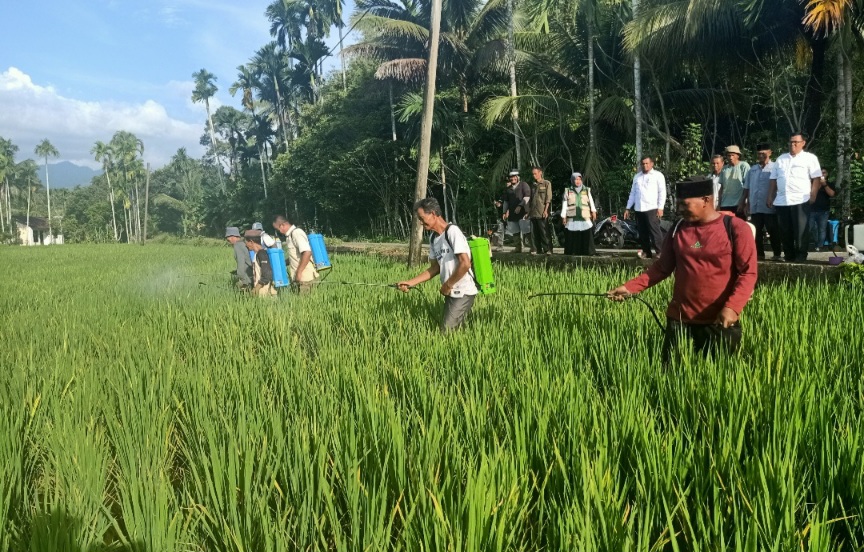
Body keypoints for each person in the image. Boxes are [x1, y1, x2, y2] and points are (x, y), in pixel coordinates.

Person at [608, 176, 757, 363]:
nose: (680, 209)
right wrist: (630, 287)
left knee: (718, 382)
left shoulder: (735, 228)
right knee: (672, 379)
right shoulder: (678, 228)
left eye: (685, 204)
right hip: (679, 320)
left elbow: (748, 272)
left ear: (706, 200)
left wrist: (733, 307)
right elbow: (662, 267)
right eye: (678, 204)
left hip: (719, 321)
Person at [397, 198, 478, 333]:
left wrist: (447, 285)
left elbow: (465, 263)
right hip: (451, 291)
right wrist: (411, 283)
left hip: (463, 290)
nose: (421, 223)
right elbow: (435, 268)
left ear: (433, 214)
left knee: (446, 332)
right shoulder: (434, 238)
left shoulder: (452, 232)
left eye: (422, 218)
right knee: (455, 331)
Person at [768, 132, 822, 262]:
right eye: (791, 142)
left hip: (800, 200)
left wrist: (813, 194)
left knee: (800, 231)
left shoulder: (810, 158)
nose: (792, 144)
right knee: (785, 231)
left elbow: (816, 178)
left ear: (803, 143)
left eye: (796, 142)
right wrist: (770, 196)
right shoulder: (781, 158)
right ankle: (789, 255)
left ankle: (801, 256)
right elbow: (773, 180)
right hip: (782, 200)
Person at [743, 144, 782, 260]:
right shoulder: (752, 169)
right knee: (756, 231)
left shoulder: (775, 167)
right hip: (755, 206)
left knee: (773, 230)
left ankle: (777, 254)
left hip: (769, 205)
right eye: (759, 153)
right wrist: (745, 204)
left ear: (770, 153)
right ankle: (759, 254)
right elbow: (747, 188)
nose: (761, 155)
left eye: (763, 153)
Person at [624, 156, 667, 259]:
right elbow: (633, 193)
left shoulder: (658, 175)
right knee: (642, 232)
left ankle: (660, 252)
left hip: (652, 207)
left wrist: (660, 207)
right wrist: (628, 208)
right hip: (639, 208)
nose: (645, 165)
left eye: (647, 163)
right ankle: (646, 252)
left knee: (654, 231)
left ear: (652, 164)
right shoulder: (637, 177)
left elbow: (662, 192)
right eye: (643, 164)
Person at [272, 215, 319, 294]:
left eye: (278, 229)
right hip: (299, 277)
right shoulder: (289, 236)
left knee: (305, 303)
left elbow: (307, 252)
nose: (278, 232)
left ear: (282, 225)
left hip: (305, 278)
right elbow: (295, 257)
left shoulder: (297, 233)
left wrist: (299, 272)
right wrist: (281, 263)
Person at [560, 172, 597, 255]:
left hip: (584, 216)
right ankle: (573, 253)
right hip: (572, 217)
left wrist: (593, 211)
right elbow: (564, 204)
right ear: (572, 180)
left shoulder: (587, 190)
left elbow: (591, 201)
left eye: (579, 179)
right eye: (576, 179)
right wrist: (563, 216)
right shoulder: (568, 191)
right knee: (573, 235)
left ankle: (589, 252)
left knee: (587, 234)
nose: (578, 181)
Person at [500, 170, 532, 252]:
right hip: (513, 213)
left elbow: (527, 197)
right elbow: (506, 202)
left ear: (518, 178)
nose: (512, 179)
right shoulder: (508, 189)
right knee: (515, 232)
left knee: (527, 231)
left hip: (524, 212)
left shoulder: (523, 185)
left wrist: (520, 206)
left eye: (514, 177)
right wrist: (504, 212)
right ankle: (518, 248)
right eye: (511, 177)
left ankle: (533, 247)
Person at [243, 229, 278, 297]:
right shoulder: (257, 254)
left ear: (251, 241)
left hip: (265, 293)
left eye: (246, 242)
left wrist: (257, 288)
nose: (245, 245)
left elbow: (267, 273)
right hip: (262, 292)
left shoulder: (262, 253)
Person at [718, 145, 750, 218]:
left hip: (738, 204)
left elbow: (747, 186)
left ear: (738, 156)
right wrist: (719, 204)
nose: (730, 157)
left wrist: (743, 202)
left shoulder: (743, 166)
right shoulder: (724, 169)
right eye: (729, 155)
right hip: (725, 204)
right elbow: (722, 188)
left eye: (733, 155)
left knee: (739, 226)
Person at [809, 169, 836, 251]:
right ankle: (815, 243)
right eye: (820, 173)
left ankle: (820, 246)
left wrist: (824, 185)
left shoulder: (829, 184)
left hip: (823, 211)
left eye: (824, 172)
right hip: (811, 210)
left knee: (822, 229)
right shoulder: (811, 184)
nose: (822, 174)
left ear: (827, 174)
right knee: (811, 227)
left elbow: (832, 194)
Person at [528, 166, 553, 255]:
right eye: (533, 174)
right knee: (534, 232)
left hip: (542, 211)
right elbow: (530, 199)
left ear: (540, 173)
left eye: (535, 173)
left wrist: (546, 210)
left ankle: (548, 249)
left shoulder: (546, 183)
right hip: (533, 212)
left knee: (544, 231)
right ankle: (536, 249)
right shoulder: (532, 185)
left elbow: (548, 198)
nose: (534, 175)